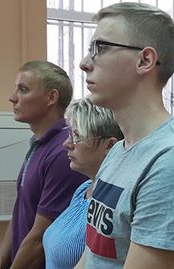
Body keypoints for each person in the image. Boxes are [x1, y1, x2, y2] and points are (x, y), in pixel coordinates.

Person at [76, 2, 174, 269]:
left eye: (100, 48)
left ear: (144, 60)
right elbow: (94, 255)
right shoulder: (120, 150)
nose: (84, 63)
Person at [0, 61, 88, 269]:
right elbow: (21, 209)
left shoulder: (64, 152)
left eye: (23, 90)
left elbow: (38, 240)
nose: (12, 97)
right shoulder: (39, 145)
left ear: (51, 98)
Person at [42, 97, 123, 269]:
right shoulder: (83, 190)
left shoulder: (115, 202)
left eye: (77, 136)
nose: (66, 144)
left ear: (109, 145)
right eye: (69, 135)